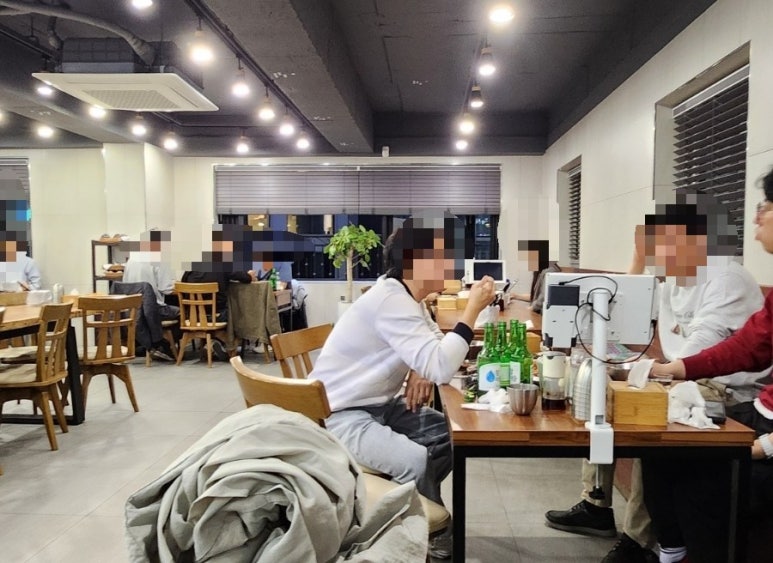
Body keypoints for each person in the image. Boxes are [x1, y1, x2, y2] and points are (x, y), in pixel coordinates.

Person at [545, 194, 766, 563]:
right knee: (599, 390)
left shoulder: (725, 278)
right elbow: (628, 319)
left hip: (725, 389)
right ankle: (596, 503)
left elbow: (698, 353)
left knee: (646, 415)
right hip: (685, 376)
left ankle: (638, 541)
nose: (656, 249)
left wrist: (648, 370)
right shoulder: (677, 278)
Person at [308, 211, 496, 560]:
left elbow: (434, 350)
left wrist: (419, 369)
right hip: (339, 415)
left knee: (450, 434)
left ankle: (406, 509)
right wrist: (471, 310)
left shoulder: (409, 298)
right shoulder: (391, 300)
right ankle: (427, 536)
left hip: (377, 405)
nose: (454, 264)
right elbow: (441, 365)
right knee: (415, 459)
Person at [644, 170, 773, 563]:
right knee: (659, 449)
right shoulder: (677, 277)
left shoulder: (726, 277)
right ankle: (671, 550)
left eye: (765, 207)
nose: (757, 218)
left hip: (744, 404)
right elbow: (749, 345)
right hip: (759, 409)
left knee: (695, 469)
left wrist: (764, 447)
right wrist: (676, 369)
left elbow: (715, 340)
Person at [182, 225, 256, 361]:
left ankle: (213, 342)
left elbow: (183, 283)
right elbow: (245, 278)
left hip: (193, 316)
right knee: (238, 311)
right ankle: (227, 344)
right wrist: (250, 275)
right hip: (217, 315)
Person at [121, 230, 179, 361]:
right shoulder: (159, 259)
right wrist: (176, 285)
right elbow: (166, 289)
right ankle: (164, 344)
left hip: (133, 311)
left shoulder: (131, 260)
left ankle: (150, 343)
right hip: (154, 309)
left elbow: (125, 285)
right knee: (182, 313)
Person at [512, 239, 560, 313]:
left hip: (542, 314)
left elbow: (543, 297)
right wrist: (516, 296)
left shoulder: (549, 271)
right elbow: (535, 297)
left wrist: (532, 308)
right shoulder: (541, 271)